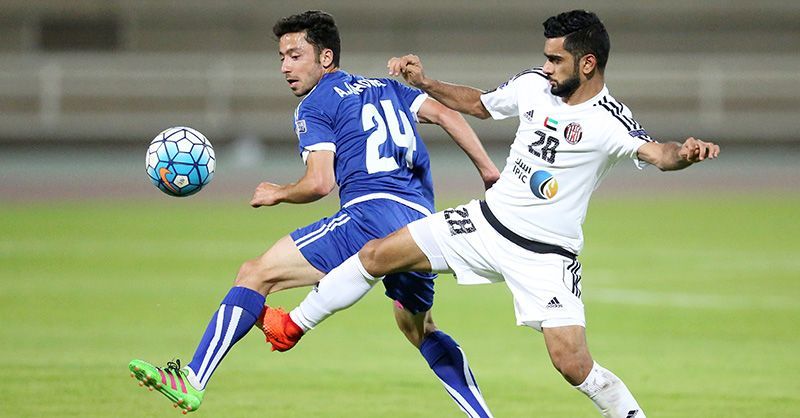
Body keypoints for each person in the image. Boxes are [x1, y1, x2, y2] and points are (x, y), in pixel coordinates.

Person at [261, 9, 720, 418]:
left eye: (556, 59)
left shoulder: (608, 120)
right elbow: (480, 104)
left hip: (545, 255)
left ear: (587, 64)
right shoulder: (534, 85)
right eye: (546, 57)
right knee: (377, 254)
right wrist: (425, 83)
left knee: (572, 365)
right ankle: (293, 326)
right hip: (483, 224)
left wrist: (685, 153)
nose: (546, 66)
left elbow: (660, 153)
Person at [128, 10, 499, 416]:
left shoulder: (316, 104)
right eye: (281, 58)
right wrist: (488, 171)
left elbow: (319, 183)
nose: (285, 67)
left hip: (367, 217)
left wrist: (279, 193)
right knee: (419, 329)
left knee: (255, 274)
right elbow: (447, 114)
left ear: (325, 58)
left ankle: (193, 379)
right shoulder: (388, 87)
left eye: (295, 55)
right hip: (420, 227)